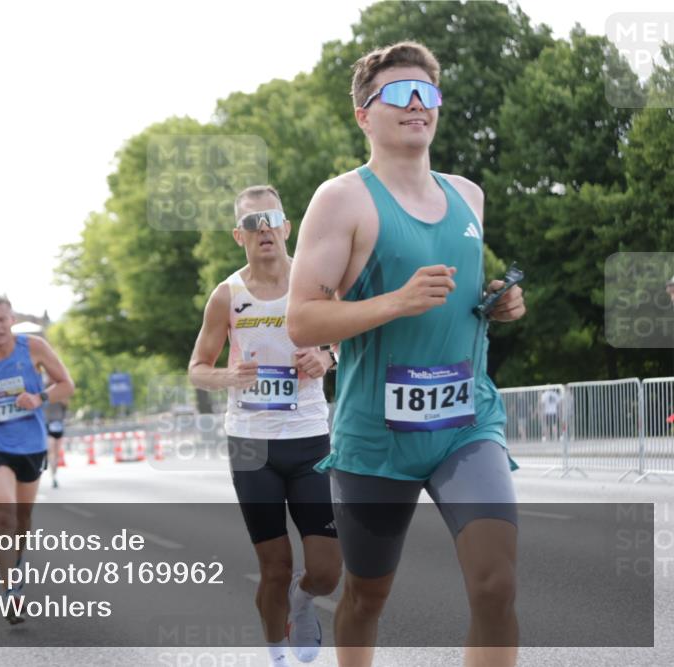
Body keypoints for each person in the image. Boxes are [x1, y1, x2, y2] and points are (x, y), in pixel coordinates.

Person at [286, 41, 527, 667]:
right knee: (366, 596)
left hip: (466, 422)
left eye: (427, 92)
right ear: (365, 114)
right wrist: (394, 302)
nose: (417, 103)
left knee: (496, 585)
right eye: (398, 93)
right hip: (377, 436)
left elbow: (460, 295)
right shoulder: (341, 200)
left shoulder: (468, 195)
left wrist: (497, 301)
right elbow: (303, 319)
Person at [188, 185, 341, 666]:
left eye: (271, 219)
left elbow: (351, 340)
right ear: (240, 235)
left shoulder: (315, 284)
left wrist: (326, 356)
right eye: (252, 224)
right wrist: (227, 375)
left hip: (309, 435)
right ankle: (276, 653)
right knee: (274, 568)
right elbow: (197, 367)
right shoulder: (227, 295)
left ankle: (305, 601)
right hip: (251, 443)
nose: (264, 230)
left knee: (326, 571)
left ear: (287, 226)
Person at [0, 295, 75, 623]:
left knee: (22, 523)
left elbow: (67, 384)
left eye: (1, 319)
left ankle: (17, 567)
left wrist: (39, 397)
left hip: (31, 444)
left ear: (11, 320)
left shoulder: (34, 347)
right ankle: (11, 592)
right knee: (5, 517)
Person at [45, 399, 67, 489]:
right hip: (49, 427)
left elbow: (66, 404)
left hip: (59, 427)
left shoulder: (62, 399)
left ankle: (55, 475)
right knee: (51, 452)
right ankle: (53, 475)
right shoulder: (45, 398)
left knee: (57, 454)